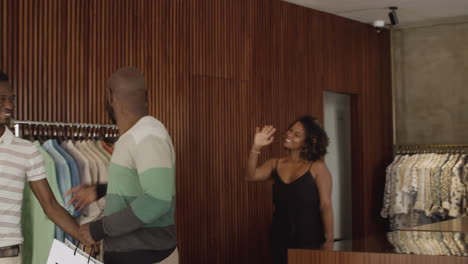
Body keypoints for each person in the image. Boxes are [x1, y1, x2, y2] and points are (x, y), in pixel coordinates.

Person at [66, 67, 178, 264]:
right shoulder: (134, 136)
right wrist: (101, 190)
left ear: (110, 97)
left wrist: (98, 229)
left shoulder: (148, 136)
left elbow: (157, 200)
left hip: (147, 257)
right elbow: (142, 189)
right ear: (146, 97)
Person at [0, 71, 92, 264]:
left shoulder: (27, 151)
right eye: (2, 99)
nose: (9, 105)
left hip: (8, 258)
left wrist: (83, 236)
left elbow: (50, 205)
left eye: (11, 99)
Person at [246, 116, 334, 264]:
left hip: (309, 239)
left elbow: (325, 205)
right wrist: (256, 147)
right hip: (280, 237)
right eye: (290, 131)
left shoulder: (317, 167)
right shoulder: (275, 163)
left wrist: (329, 240)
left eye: (296, 134)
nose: (289, 135)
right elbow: (250, 176)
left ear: (307, 141)